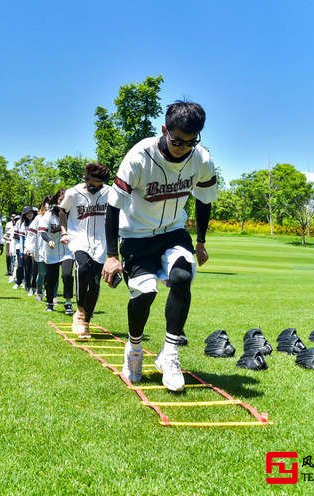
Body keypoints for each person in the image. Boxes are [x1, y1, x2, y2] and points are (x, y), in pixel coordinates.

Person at [102, 100, 217, 392]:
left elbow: (205, 201)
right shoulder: (139, 157)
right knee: (145, 293)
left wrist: (201, 241)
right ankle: (135, 349)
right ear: (164, 130)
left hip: (173, 231)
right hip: (136, 236)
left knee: (182, 276)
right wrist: (112, 256)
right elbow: (113, 208)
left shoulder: (201, 158)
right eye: (176, 140)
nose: (181, 148)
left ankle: (171, 354)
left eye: (190, 142)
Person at [59, 162, 114, 339]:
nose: (96, 188)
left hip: (101, 242)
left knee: (95, 282)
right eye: (93, 183)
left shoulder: (109, 192)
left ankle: (86, 320)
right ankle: (80, 312)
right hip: (79, 238)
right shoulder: (73, 192)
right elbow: (61, 211)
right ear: (86, 177)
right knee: (83, 268)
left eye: (99, 185)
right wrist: (64, 231)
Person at [39, 189, 74, 313]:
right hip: (51, 251)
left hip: (67, 250)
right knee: (51, 279)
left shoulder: (72, 214)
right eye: (60, 199)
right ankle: (49, 302)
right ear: (56, 200)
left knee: (67, 275)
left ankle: (68, 302)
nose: (62, 202)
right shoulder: (49, 214)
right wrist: (49, 240)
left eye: (65, 200)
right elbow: (42, 231)